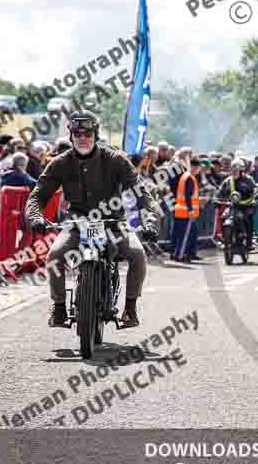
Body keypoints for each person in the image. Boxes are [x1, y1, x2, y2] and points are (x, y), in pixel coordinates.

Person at [25, 110, 159, 329]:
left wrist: (149, 220)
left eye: (87, 133)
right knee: (53, 256)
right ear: (71, 136)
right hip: (77, 225)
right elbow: (37, 196)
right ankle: (59, 307)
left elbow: (142, 194)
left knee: (137, 255)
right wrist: (36, 217)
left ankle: (130, 309)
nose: (82, 137)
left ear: (95, 134)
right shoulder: (60, 162)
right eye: (77, 133)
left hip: (113, 224)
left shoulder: (116, 160)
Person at [216, 159, 258, 251]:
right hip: (232, 206)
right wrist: (216, 199)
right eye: (233, 169)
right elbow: (219, 192)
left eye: (237, 170)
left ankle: (248, 243)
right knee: (223, 218)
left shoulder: (248, 179)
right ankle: (225, 241)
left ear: (241, 171)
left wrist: (255, 194)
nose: (234, 172)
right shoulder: (227, 181)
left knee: (248, 220)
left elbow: (255, 189)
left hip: (246, 205)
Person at [170, 157, 202, 263]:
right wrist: (191, 210)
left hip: (182, 210)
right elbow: (187, 195)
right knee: (184, 236)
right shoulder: (189, 178)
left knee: (190, 233)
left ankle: (189, 253)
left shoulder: (186, 176)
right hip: (185, 212)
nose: (199, 170)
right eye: (198, 167)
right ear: (195, 167)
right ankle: (180, 255)